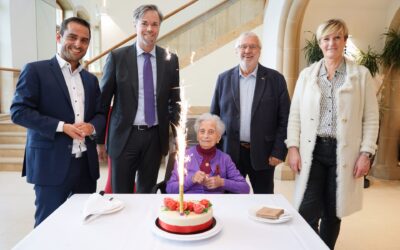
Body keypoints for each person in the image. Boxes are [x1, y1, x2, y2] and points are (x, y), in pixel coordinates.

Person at [286, 19, 379, 249]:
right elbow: (295, 115)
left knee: (332, 211)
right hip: (313, 150)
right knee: (306, 210)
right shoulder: (307, 75)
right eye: (326, 38)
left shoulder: (361, 75)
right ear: (320, 43)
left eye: (337, 37)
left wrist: (366, 153)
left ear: (345, 40)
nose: (331, 43)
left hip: (343, 153)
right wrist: (293, 148)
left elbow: (371, 118)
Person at [10, 17, 105, 227]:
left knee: (84, 223)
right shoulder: (36, 71)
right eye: (72, 37)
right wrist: (62, 127)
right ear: (59, 37)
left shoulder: (91, 80)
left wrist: (92, 127)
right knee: (48, 226)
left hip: (85, 168)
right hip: (50, 164)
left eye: (84, 40)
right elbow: (18, 111)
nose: (78, 44)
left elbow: (100, 114)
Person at [97, 4, 180, 193]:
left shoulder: (170, 59)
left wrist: (176, 136)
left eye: (155, 24)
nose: (149, 29)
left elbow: (174, 101)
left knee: (147, 192)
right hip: (125, 136)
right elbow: (103, 102)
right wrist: (99, 140)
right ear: (135, 24)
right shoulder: (117, 57)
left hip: (154, 137)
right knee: (121, 194)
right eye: (144, 23)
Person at [210, 32, 290, 194]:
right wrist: (214, 153)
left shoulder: (276, 80)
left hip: (264, 154)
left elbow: (285, 119)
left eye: (252, 46)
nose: (247, 50)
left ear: (259, 51)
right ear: (236, 51)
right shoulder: (223, 79)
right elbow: (214, 119)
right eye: (243, 46)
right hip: (229, 154)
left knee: (264, 198)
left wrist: (278, 151)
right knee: (230, 199)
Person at [166, 113, 250, 194]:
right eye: (202, 131)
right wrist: (191, 179)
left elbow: (245, 188)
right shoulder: (185, 156)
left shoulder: (225, 159)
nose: (206, 136)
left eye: (211, 132)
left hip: (216, 204)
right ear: (197, 136)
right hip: (190, 204)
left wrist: (222, 182)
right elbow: (170, 188)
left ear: (218, 137)